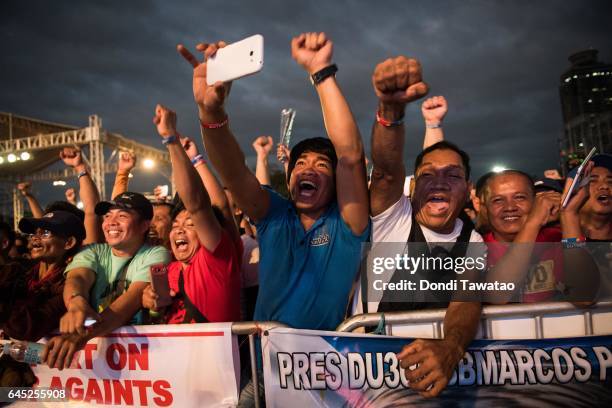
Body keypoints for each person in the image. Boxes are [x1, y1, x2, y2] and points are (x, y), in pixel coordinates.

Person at [178, 32, 370, 331]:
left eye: (321, 165)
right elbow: (233, 172)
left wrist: (321, 73)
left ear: (336, 184)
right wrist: (210, 112)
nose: (308, 169)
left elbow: (350, 156)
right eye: (300, 164)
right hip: (264, 365)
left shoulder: (348, 224)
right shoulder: (275, 215)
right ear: (290, 176)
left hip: (324, 367)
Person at [364, 56, 483, 398]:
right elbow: (386, 169)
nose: (440, 184)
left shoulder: (471, 240)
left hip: (432, 380)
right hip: (364, 376)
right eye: (428, 175)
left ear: (466, 188)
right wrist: (391, 111)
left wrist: (452, 348)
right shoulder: (392, 216)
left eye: (453, 176)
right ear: (413, 186)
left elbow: (466, 299)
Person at [42, 192, 170, 370]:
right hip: (99, 360)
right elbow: (77, 278)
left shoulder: (155, 254)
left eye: (122, 216)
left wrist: (80, 336)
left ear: (144, 225)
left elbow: (128, 303)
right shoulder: (93, 251)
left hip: (144, 360)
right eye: (108, 215)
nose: (111, 222)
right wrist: (76, 302)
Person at [141, 105, 241, 324]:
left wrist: (172, 140)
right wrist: (150, 302)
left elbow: (203, 206)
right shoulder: (167, 270)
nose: (179, 229)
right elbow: (157, 315)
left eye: (190, 224)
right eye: (176, 224)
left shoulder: (217, 258)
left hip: (214, 357)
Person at [482, 169, 600, 303]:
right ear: (485, 209)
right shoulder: (476, 246)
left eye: (520, 197)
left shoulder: (556, 239)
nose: (510, 207)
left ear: (535, 202)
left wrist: (569, 214)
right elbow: (495, 296)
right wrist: (532, 222)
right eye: (497, 200)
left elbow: (584, 296)